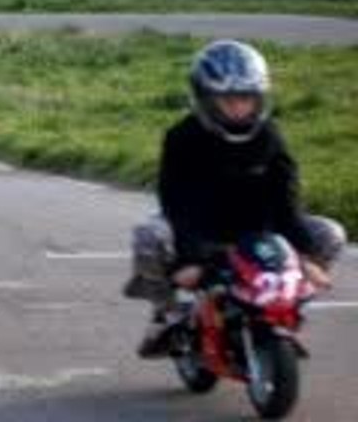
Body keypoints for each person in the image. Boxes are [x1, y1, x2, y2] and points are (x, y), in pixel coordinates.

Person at [124, 40, 347, 358]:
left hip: (259, 229)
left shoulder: (270, 136)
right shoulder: (181, 138)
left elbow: (286, 200)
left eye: (247, 99)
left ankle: (284, 307)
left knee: (331, 233)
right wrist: (192, 259)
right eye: (228, 100)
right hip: (200, 230)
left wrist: (307, 255)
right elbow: (177, 205)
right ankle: (167, 313)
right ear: (205, 98)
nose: (239, 108)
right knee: (148, 235)